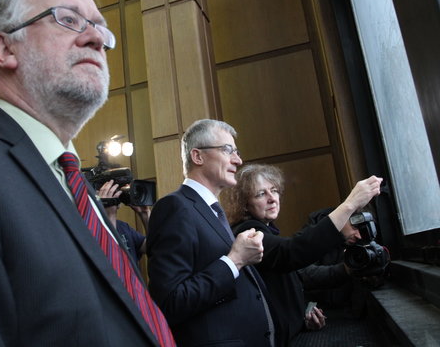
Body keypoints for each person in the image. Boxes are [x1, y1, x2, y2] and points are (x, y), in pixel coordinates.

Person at [0, 0, 174, 346]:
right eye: (68, 19)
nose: (96, 39)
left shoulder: (78, 186)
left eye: (100, 29)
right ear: (6, 49)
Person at [147, 119, 277, 347]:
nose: (238, 160)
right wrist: (234, 261)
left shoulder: (212, 210)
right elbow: (170, 302)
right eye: (228, 150)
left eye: (236, 152)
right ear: (198, 157)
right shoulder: (174, 207)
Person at [224, 163, 382, 346]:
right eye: (261, 194)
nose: (272, 199)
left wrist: (304, 314)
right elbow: (293, 252)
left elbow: (296, 278)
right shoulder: (248, 233)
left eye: (274, 191)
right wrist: (350, 204)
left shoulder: (267, 232)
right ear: (244, 204)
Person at [97, 179, 150, 263]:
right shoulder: (89, 226)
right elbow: (110, 263)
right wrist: (109, 215)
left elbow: (153, 247)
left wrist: (145, 214)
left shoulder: (123, 227)